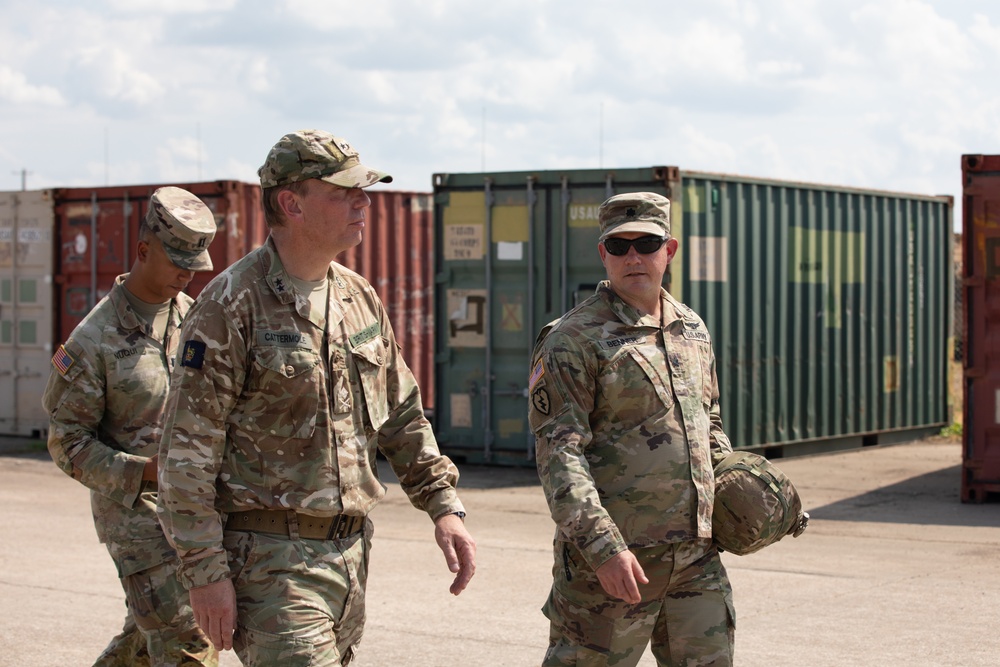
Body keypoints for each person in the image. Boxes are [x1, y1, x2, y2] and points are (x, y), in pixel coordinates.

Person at [156, 129, 477, 665]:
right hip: (271, 565)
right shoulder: (231, 306)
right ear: (291, 203)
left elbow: (400, 413)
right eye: (344, 191)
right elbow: (185, 456)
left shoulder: (358, 297)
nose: (364, 202)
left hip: (350, 555)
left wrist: (444, 506)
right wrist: (204, 573)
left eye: (364, 191)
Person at [527, 192, 736, 667]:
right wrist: (602, 549)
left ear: (670, 249)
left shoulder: (692, 329)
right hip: (614, 564)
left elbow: (712, 427)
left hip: (695, 560)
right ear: (603, 254)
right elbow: (560, 455)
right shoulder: (572, 338)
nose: (633, 256)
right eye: (619, 246)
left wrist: (746, 492)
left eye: (646, 242)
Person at [42, 186, 219, 667]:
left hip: (194, 512)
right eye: (176, 262)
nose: (186, 275)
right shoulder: (92, 341)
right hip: (136, 522)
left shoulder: (191, 319)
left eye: (194, 266)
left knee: (143, 644)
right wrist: (144, 471)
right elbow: (67, 443)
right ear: (143, 251)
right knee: (189, 641)